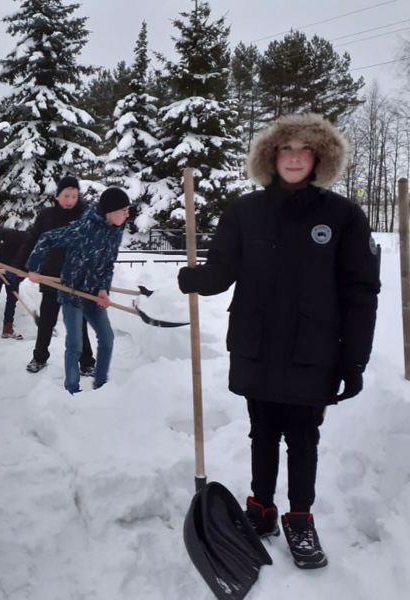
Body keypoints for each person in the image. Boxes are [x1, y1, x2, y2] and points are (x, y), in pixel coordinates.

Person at [177, 113, 380, 570]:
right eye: (285, 150)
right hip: (256, 342)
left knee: (303, 436)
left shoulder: (343, 216)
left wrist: (354, 360)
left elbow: (360, 292)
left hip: (313, 349)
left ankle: (300, 519)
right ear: (270, 157)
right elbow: (222, 271)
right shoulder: (245, 211)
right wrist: (193, 278)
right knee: (262, 431)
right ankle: (261, 508)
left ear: (319, 158)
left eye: (303, 151)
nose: (293, 158)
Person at [26, 187, 131, 394]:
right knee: (75, 344)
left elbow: (108, 265)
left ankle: (101, 385)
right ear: (110, 211)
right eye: (124, 210)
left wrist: (103, 289)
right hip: (72, 292)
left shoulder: (116, 232)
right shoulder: (85, 228)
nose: (128, 214)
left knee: (107, 338)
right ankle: (71, 390)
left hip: (92, 294)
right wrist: (33, 268)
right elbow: (47, 238)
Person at [15, 175, 96, 375]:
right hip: (51, 277)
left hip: (75, 279)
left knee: (79, 323)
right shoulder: (46, 216)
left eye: (74, 196)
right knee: (47, 321)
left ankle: (86, 362)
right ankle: (39, 357)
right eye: (66, 195)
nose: (70, 200)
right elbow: (32, 241)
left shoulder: (85, 216)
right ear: (58, 195)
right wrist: (22, 266)